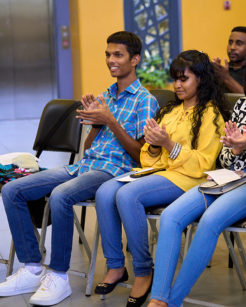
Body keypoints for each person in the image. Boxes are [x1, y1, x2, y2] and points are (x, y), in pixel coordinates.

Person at [0, 31, 158, 305]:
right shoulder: (106, 96)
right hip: (85, 166)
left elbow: (141, 156)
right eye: (107, 54)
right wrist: (96, 124)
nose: (111, 60)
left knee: (61, 196)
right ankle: (32, 268)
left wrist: (111, 121)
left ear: (135, 59)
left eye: (118, 55)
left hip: (113, 171)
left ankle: (59, 276)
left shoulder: (145, 101)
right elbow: (89, 147)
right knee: (13, 190)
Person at [146, 42, 246, 307]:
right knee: (172, 216)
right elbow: (223, 157)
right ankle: (158, 298)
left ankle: (170, 303)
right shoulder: (244, 106)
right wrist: (234, 150)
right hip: (232, 177)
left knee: (210, 220)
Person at [94, 50, 230, 307]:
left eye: (184, 79)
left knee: (127, 195)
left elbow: (203, 165)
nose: (177, 85)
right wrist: (155, 146)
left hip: (190, 179)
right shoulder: (171, 111)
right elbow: (147, 158)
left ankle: (144, 271)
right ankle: (115, 265)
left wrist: (167, 143)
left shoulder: (211, 115)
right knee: (104, 191)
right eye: (175, 79)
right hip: (161, 173)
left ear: (200, 79)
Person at [212, 26, 246, 94]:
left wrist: (226, 78)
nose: (232, 47)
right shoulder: (223, 70)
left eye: (239, 43)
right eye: (230, 42)